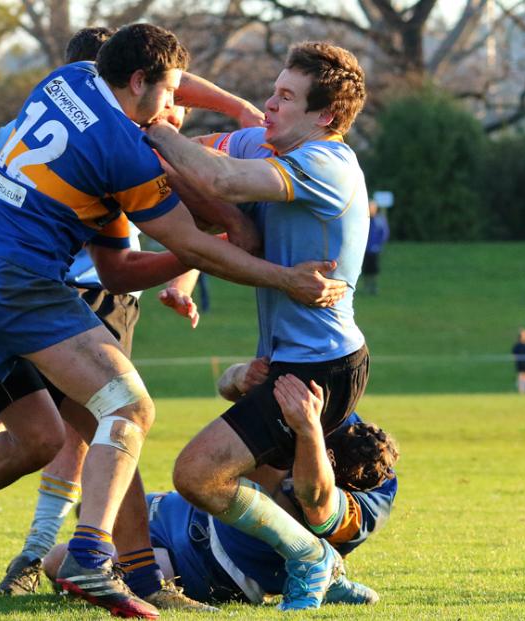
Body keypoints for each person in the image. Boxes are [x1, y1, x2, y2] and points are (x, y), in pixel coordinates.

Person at [0, 24, 346, 621]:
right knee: (129, 407)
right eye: (166, 95)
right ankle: (90, 554)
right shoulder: (124, 151)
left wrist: (202, 133)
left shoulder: (67, 79)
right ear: (138, 82)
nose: (171, 108)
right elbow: (199, 245)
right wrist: (285, 278)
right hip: (16, 281)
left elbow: (115, 269)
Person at [146, 41, 371, 610]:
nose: (267, 105)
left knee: (197, 475)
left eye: (285, 97)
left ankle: (313, 558)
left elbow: (219, 181)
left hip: (321, 366)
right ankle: (325, 566)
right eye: (273, 90)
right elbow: (196, 157)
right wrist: (172, 147)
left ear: (323, 117)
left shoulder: (326, 163)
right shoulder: (268, 141)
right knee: (271, 487)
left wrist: (150, 122)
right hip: (287, 357)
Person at [43, 372, 399, 608]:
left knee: (57, 561)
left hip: (206, 564)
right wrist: (242, 375)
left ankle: (322, 569)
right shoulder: (341, 423)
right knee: (96, 510)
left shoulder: (364, 509)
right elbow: (231, 390)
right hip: (178, 507)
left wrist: (307, 432)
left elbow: (315, 499)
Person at [361, 199, 389, 295]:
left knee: (374, 269)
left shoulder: (379, 220)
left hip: (375, 249)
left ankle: (374, 287)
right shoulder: (363, 219)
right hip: (365, 249)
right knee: (365, 268)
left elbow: (384, 233)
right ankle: (366, 286)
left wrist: (378, 245)